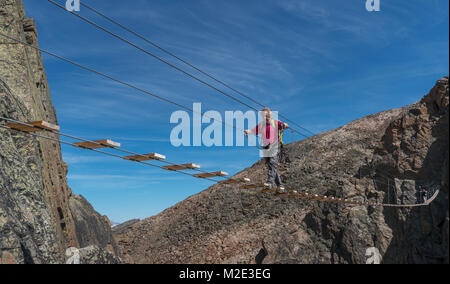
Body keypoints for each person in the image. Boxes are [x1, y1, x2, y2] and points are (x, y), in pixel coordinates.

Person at [245, 108, 292, 195]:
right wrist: (248, 131)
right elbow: (253, 131)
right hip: (266, 146)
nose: (265, 116)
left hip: (275, 144)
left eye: (267, 115)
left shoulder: (275, 122)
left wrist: (285, 125)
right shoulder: (261, 125)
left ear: (270, 115)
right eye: (263, 115)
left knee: (272, 163)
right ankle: (280, 185)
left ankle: (270, 182)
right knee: (271, 165)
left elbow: (285, 125)